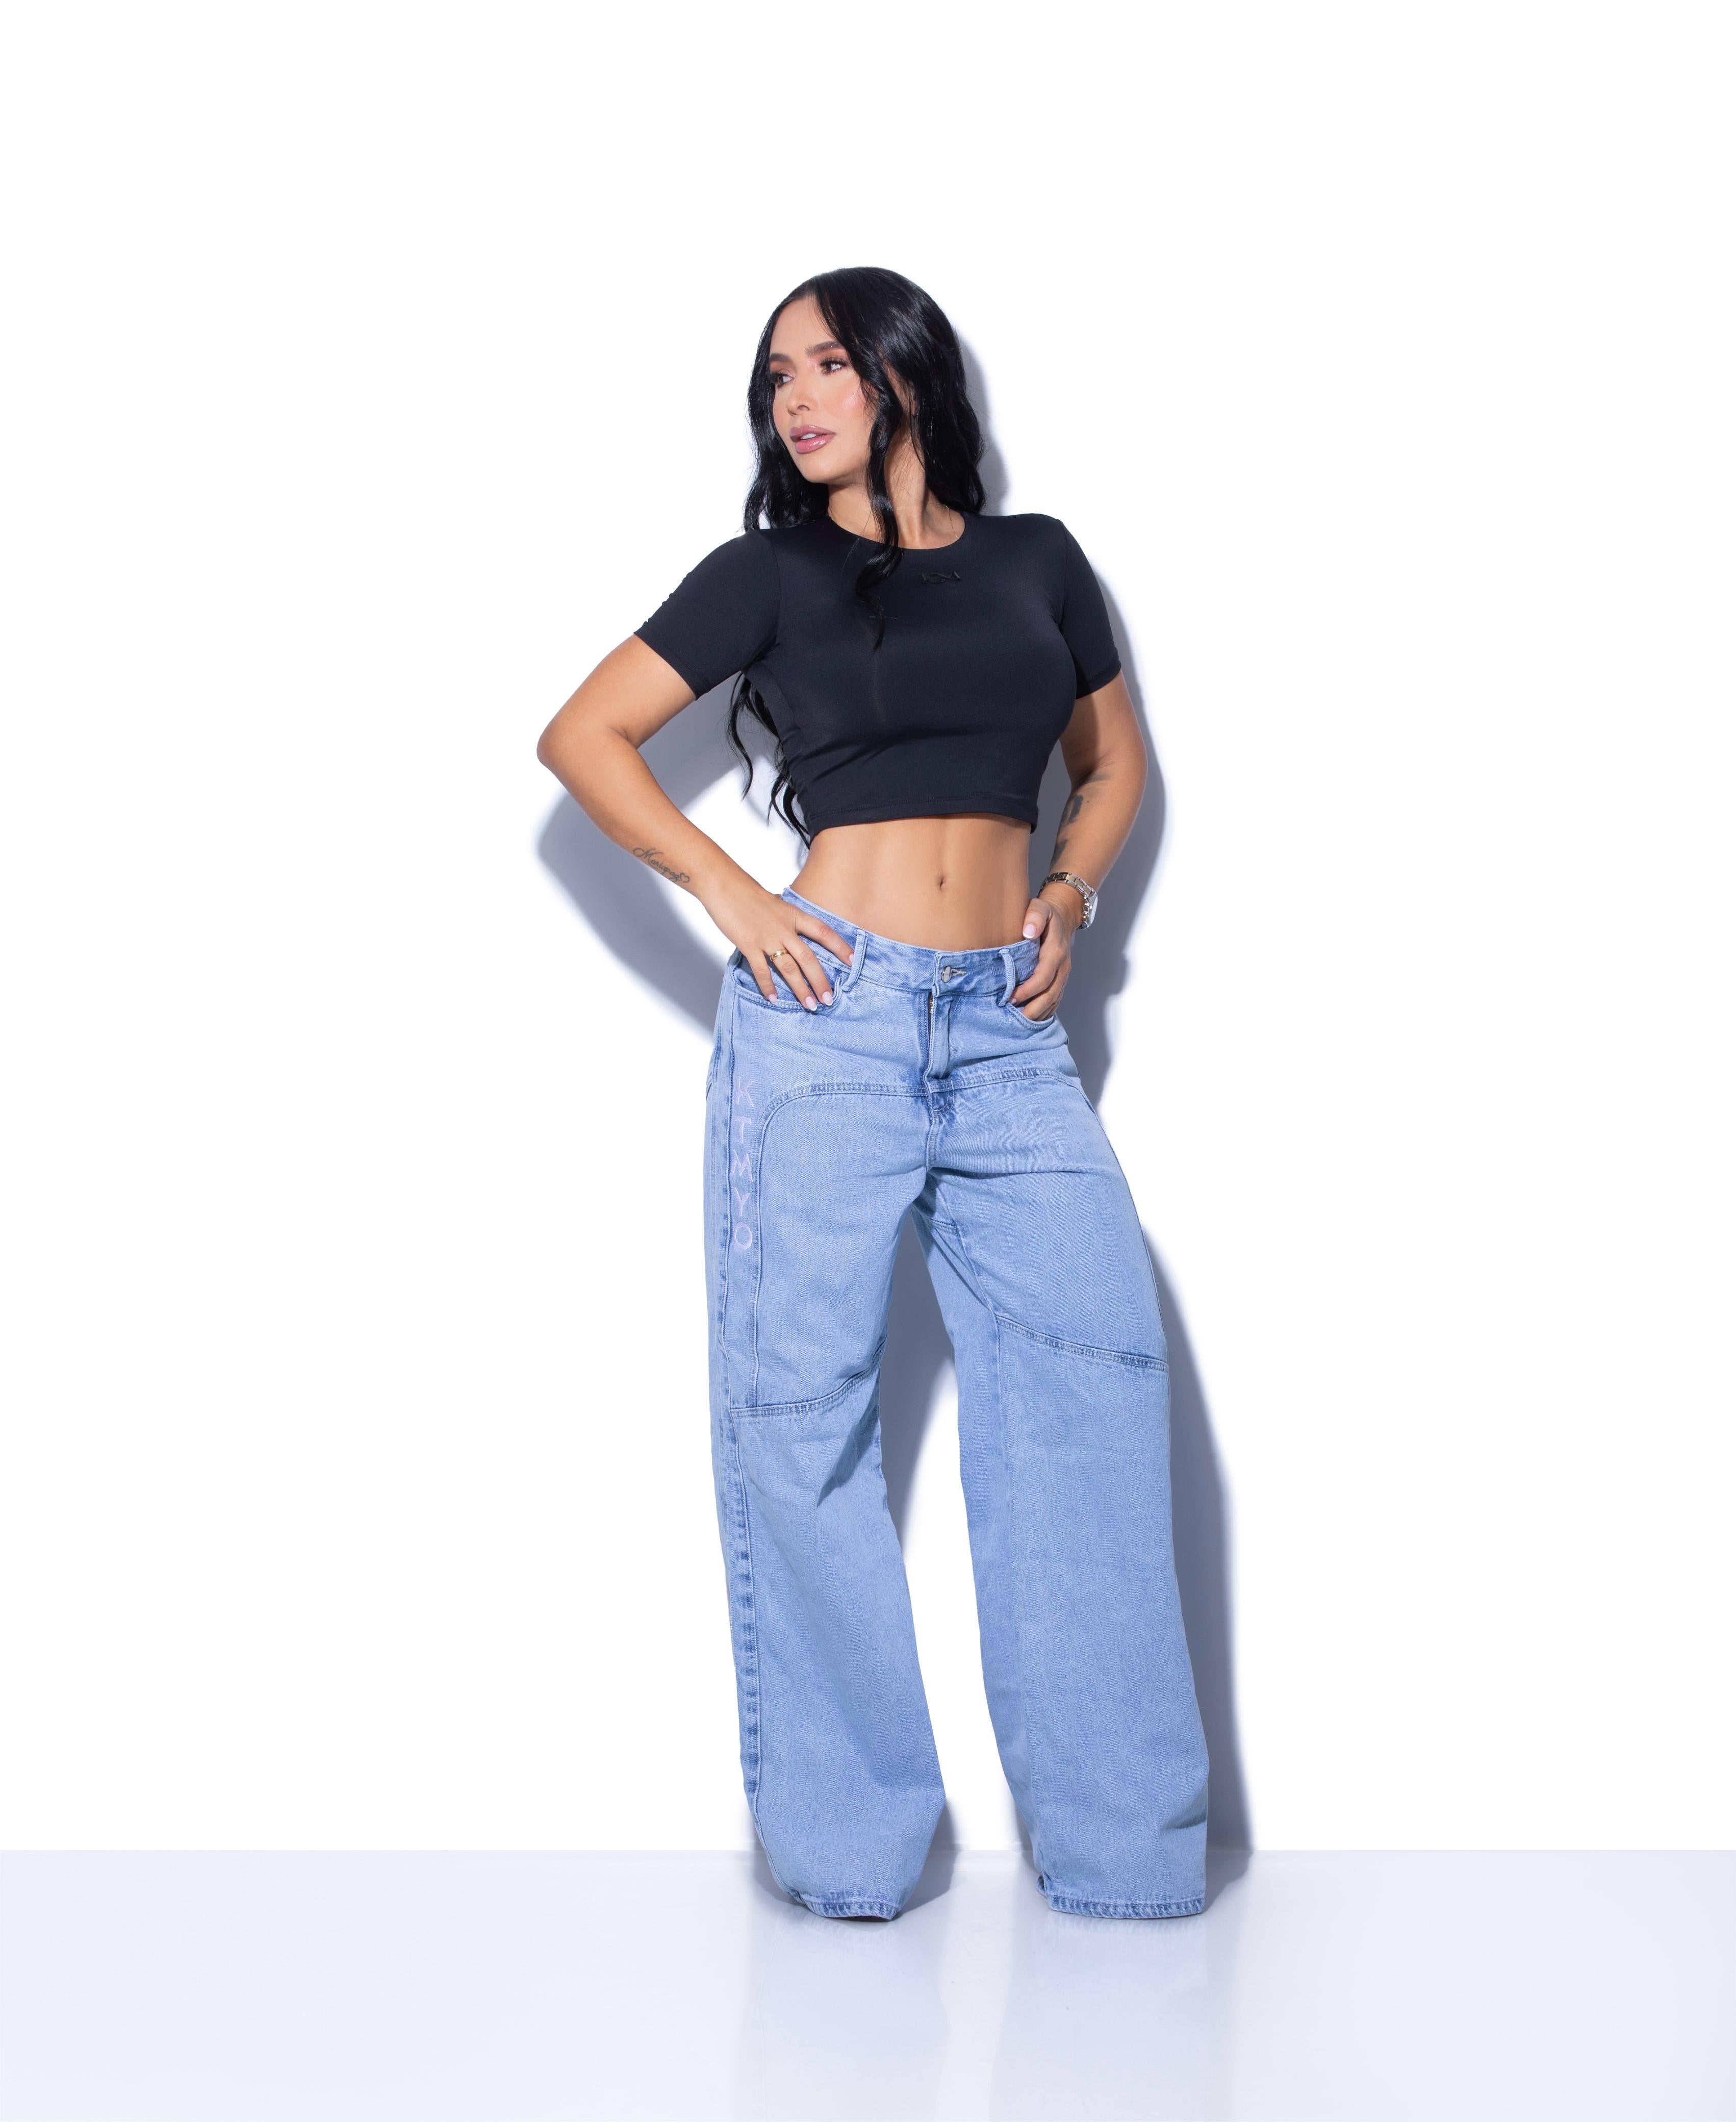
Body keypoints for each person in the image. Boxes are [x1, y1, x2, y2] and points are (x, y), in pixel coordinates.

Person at [536, 266, 1209, 1921]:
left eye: (830, 363)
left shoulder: (1037, 562)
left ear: (907, 372)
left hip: (1007, 1037)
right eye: (776, 374)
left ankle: (1124, 1860)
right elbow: (583, 736)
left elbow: (1113, 759)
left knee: (1093, 1395)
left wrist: (1071, 892)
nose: (797, 397)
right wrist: (732, 892)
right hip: (824, 1022)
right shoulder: (766, 574)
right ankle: (847, 1860)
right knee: (799, 1424)